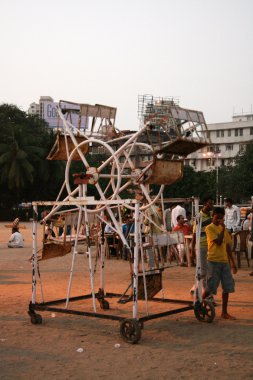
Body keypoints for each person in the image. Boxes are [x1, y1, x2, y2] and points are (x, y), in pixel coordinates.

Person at [203, 207, 237, 320]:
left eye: (221, 218)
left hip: (224, 261)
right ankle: (199, 302)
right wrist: (222, 229)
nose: (219, 220)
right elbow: (217, 242)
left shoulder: (224, 230)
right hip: (213, 261)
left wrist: (233, 262)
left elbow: (227, 246)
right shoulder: (209, 228)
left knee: (227, 287)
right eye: (218, 218)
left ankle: (224, 312)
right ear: (213, 216)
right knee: (211, 287)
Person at [191, 196, 214, 289]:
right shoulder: (198, 216)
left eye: (212, 203)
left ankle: (198, 289)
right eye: (210, 203)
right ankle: (206, 294)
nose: (212, 205)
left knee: (211, 271)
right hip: (202, 245)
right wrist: (192, 250)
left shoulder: (213, 214)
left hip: (212, 246)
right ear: (204, 204)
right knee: (204, 271)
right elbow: (194, 234)